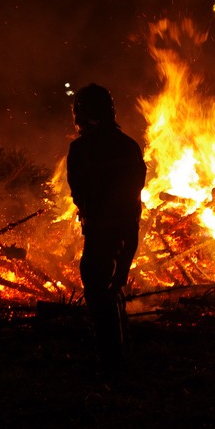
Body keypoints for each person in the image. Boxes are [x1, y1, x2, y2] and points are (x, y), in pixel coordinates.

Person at [66, 83, 147, 380]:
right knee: (115, 290)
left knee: (98, 293)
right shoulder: (129, 146)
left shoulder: (81, 149)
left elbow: (80, 194)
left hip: (101, 233)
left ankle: (111, 365)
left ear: (82, 113)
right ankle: (123, 356)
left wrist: (93, 216)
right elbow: (136, 191)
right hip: (128, 231)